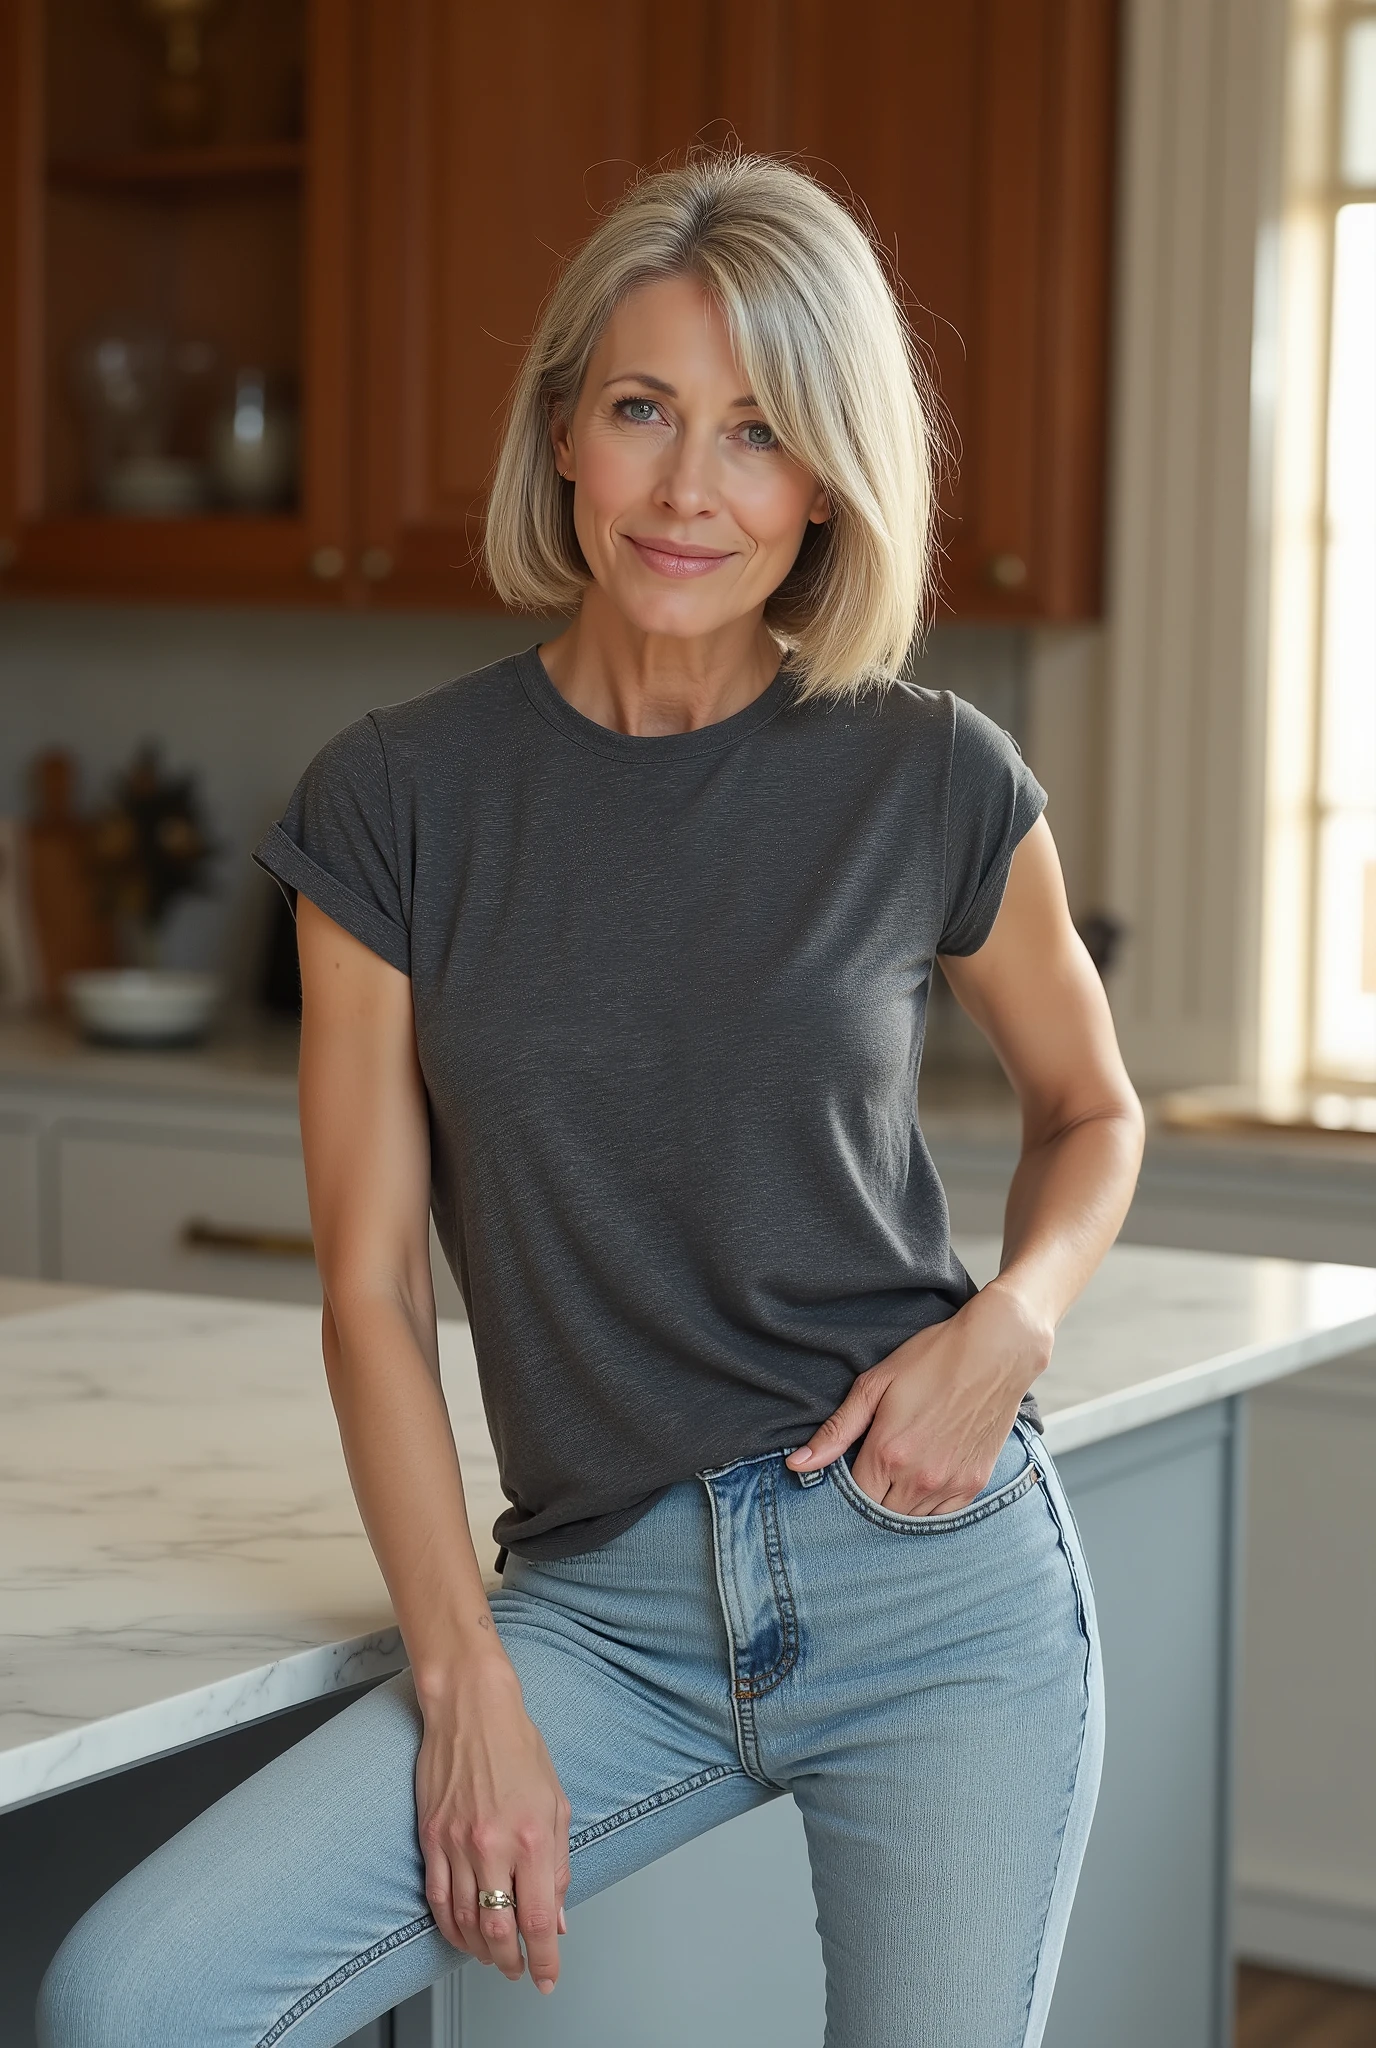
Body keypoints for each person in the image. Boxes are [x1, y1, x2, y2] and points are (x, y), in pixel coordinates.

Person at [39, 150, 1144, 2048]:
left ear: (828, 481)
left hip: (928, 1592)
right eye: (645, 411)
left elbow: (1095, 1111)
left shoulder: (929, 773)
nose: (691, 488)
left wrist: (1010, 1328)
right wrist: (465, 1689)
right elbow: (373, 1288)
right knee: (128, 1997)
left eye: (762, 433)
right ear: (565, 429)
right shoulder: (397, 804)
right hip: (597, 1614)